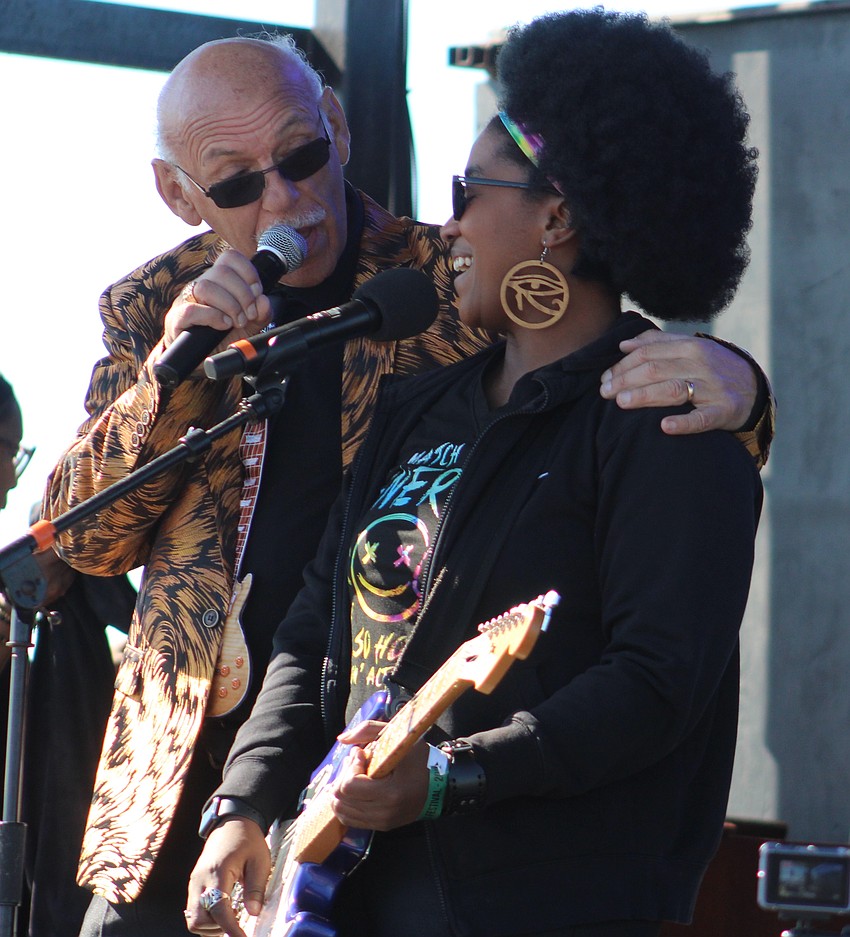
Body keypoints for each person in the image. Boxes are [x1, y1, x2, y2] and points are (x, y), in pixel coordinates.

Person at [42, 30, 772, 937]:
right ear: (178, 193)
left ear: (338, 129)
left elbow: (612, 368)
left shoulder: (440, 279)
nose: (283, 199)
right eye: (236, 182)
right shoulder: (153, 312)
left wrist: (746, 389)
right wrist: (174, 378)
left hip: (403, 815)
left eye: (301, 156)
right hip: (185, 781)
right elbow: (80, 536)